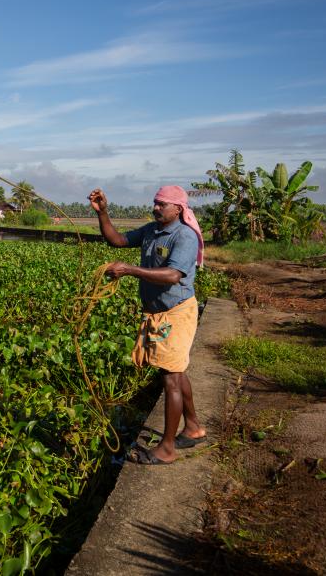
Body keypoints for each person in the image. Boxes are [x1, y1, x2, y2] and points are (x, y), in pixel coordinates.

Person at [88, 185, 207, 465]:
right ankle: (193, 427)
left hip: (177, 312)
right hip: (157, 313)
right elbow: (116, 240)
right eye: (155, 203)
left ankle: (167, 448)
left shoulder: (184, 236)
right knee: (176, 371)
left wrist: (129, 270)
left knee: (170, 378)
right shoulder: (151, 230)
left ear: (178, 209)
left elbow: (172, 275)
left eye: (162, 204)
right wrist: (103, 212)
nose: (156, 208)